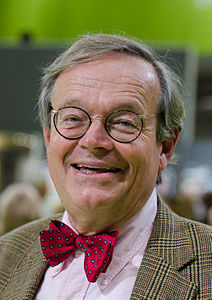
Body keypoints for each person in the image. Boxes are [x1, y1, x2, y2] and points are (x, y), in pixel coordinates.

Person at [0, 33, 211, 300]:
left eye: (124, 122)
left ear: (165, 147)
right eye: (73, 118)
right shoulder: (5, 256)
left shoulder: (206, 266)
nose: (93, 141)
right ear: (49, 137)